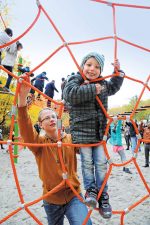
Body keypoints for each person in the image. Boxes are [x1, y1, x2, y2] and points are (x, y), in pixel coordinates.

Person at [17, 75, 92, 225]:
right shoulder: (39, 144)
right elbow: (25, 126)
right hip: (51, 199)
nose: (51, 119)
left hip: (74, 195)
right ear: (41, 125)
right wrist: (22, 98)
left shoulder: (70, 139)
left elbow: (87, 146)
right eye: (46, 118)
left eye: (53, 116)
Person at [63, 52, 125, 219]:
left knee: (101, 163)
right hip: (82, 133)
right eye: (89, 64)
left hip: (98, 133)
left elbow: (113, 87)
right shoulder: (75, 79)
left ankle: (103, 196)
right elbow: (70, 94)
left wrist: (119, 74)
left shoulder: (102, 83)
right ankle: (91, 191)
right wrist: (92, 89)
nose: (92, 69)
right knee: (87, 163)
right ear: (83, 65)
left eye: (97, 67)